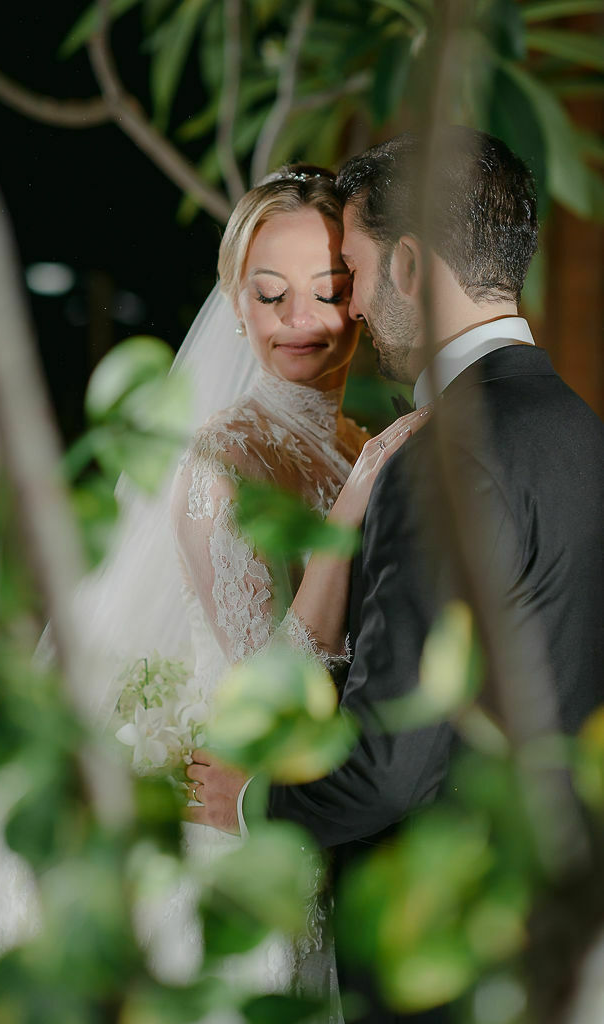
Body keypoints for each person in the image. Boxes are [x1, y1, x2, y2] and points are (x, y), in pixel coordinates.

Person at [0, 164, 428, 1023]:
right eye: (270, 295)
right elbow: (270, 683)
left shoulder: (355, 443)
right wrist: (350, 513)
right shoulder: (223, 464)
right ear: (235, 301)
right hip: (231, 824)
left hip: (318, 804)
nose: (301, 321)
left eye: (329, 291)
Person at [189, 129, 604, 1021]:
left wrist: (250, 802)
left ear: (408, 265)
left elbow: (389, 765)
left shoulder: (442, 460)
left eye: (353, 271)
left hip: (440, 947)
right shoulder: (580, 431)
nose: (351, 306)